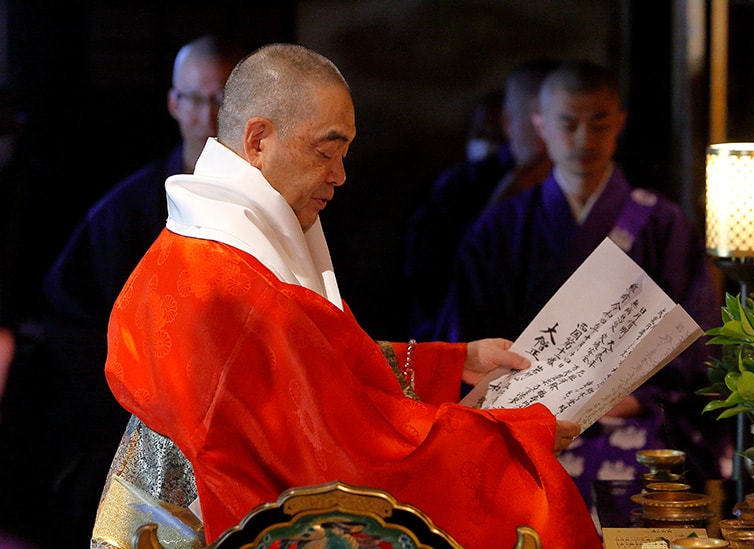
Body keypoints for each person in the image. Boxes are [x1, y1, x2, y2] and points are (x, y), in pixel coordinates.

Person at [103, 43, 602, 549]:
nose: (340, 175)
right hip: (204, 529)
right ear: (258, 140)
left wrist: (453, 363)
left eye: (344, 154)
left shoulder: (216, 243)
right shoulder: (231, 284)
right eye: (326, 151)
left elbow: (320, 376)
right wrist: (510, 435)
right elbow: (345, 452)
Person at [431, 60, 727, 515]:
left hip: (635, 417)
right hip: (526, 420)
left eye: (599, 122)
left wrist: (638, 399)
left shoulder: (662, 224)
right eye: (568, 123)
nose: (585, 139)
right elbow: (468, 335)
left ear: (620, 122)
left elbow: (696, 335)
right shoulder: (501, 228)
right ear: (540, 125)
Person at [35, 34, 243, 545]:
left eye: (226, 100)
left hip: (243, 424)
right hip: (141, 425)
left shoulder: (279, 210)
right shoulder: (124, 211)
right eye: (198, 98)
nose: (211, 115)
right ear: (175, 103)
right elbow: (74, 323)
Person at [405, 57, 558, 340]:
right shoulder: (459, 188)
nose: (559, 135)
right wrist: (496, 213)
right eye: (541, 121)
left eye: (568, 121)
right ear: (508, 122)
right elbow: (427, 282)